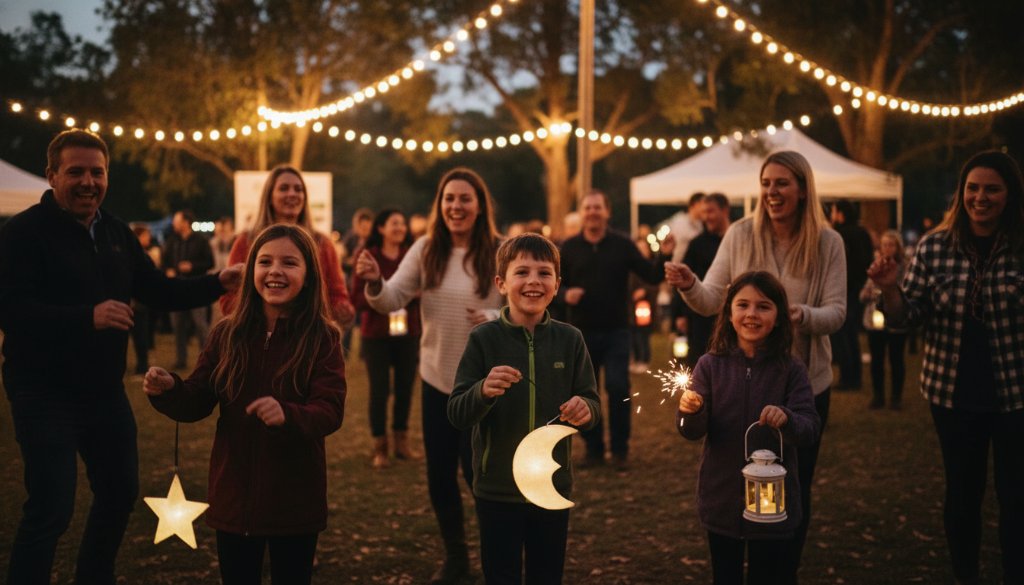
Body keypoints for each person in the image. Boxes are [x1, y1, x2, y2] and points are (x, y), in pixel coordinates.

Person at [0, 129, 242, 585]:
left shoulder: (115, 231)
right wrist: (85, 316)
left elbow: (158, 290)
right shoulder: (23, 233)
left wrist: (218, 281)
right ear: (52, 176)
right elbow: (10, 309)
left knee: (118, 493)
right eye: (76, 172)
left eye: (97, 172)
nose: (88, 181)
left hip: (103, 392)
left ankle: (94, 576)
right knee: (51, 506)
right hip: (42, 391)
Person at [666, 150, 845, 582]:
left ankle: (781, 569)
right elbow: (714, 298)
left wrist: (799, 314)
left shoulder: (827, 242)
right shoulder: (741, 234)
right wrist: (691, 286)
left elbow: (838, 312)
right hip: (740, 376)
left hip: (800, 381)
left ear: (802, 189)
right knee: (734, 468)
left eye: (782, 183)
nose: (772, 191)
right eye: (766, 183)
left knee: (792, 482)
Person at [144, 224, 346, 585]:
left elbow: (330, 410)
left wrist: (289, 414)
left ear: (310, 274)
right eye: (265, 261)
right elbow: (197, 399)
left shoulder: (322, 337)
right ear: (251, 269)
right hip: (234, 496)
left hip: (295, 500)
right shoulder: (227, 334)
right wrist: (169, 389)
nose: (275, 271)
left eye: (289, 263)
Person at [867, 150, 1024, 585]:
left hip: (1015, 396)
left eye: (992, 188)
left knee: (1016, 498)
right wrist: (890, 290)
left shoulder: (1020, 247)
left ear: (1009, 194)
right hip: (953, 395)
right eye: (973, 188)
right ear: (961, 193)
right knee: (963, 495)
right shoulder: (936, 246)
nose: (981, 197)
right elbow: (907, 317)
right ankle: (966, 575)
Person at [355, 167, 502, 584]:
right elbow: (392, 298)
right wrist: (373, 283)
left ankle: (499, 553)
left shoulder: (500, 250)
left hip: (487, 385)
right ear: (440, 205)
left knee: (481, 475)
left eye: (465, 198)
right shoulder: (425, 250)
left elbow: (528, 309)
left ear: (479, 205)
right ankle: (456, 556)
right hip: (438, 380)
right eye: (449, 198)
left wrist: (493, 316)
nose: (456, 206)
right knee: (440, 474)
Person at [448, 233, 600, 585]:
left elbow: (593, 404)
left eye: (544, 273)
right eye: (522, 272)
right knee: (501, 575)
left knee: (546, 574)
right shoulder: (483, 339)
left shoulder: (570, 339)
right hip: (496, 489)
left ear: (557, 285)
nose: (533, 281)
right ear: (501, 283)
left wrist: (586, 410)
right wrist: (482, 391)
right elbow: (457, 412)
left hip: (551, 485)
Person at [677, 271, 819, 585]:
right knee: (725, 574)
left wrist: (788, 418)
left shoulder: (791, 369)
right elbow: (691, 430)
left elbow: (809, 428)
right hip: (722, 498)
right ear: (728, 314)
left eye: (763, 306)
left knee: (767, 575)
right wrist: (691, 411)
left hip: (772, 503)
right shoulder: (710, 366)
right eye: (742, 305)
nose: (751, 314)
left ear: (779, 317)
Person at [559, 190, 675, 469]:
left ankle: (620, 450)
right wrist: (564, 294)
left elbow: (651, 274)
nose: (592, 212)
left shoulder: (622, 245)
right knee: (587, 394)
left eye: (597, 207)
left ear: (607, 212)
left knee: (618, 386)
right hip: (582, 333)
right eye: (588, 208)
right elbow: (553, 282)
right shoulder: (569, 247)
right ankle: (594, 450)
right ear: (582, 213)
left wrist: (664, 255)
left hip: (617, 331)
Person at [220, 164, 354, 328]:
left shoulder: (323, 243)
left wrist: (343, 309)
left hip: (309, 338)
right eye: (284, 188)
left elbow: (336, 294)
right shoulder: (247, 241)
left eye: (298, 189)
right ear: (269, 196)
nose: (292, 194)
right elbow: (228, 298)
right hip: (258, 338)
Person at [349, 208, 422, 468]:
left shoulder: (412, 257)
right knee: (379, 391)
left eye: (402, 223)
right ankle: (380, 446)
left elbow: (427, 289)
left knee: (405, 389)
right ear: (380, 228)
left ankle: (402, 443)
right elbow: (356, 298)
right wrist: (385, 298)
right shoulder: (368, 257)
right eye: (394, 223)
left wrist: (415, 297)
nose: (400, 228)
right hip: (376, 335)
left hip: (408, 333)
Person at [670, 192, 731, 368]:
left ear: (724, 210)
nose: (706, 217)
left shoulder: (737, 240)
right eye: (704, 212)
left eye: (711, 212)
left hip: (729, 314)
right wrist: (680, 313)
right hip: (699, 316)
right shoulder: (696, 244)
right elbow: (682, 280)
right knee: (699, 359)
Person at [859, 230, 908, 410]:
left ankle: (896, 397)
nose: (887, 248)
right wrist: (868, 293)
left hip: (897, 322)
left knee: (896, 359)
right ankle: (878, 396)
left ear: (898, 247)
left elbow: (908, 293)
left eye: (891, 244)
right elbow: (864, 292)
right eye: (884, 244)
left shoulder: (905, 268)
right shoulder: (876, 265)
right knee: (877, 360)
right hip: (876, 320)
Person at [829, 200, 874, 391]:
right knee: (852, 334)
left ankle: (849, 378)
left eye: (833, 211)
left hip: (845, 290)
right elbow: (868, 261)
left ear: (840, 214)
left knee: (843, 334)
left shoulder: (841, 235)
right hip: (858, 289)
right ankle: (855, 377)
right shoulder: (863, 232)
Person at [163, 209, 214, 369]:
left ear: (185, 222)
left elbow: (209, 263)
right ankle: (181, 360)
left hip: (196, 288)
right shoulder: (172, 241)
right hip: (177, 289)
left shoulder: (201, 240)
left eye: (176, 221)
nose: (173, 224)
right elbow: (165, 261)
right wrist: (168, 270)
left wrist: (192, 266)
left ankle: (207, 362)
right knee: (178, 326)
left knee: (201, 326)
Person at [668, 192, 705, 263]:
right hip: (677, 266)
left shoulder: (700, 225)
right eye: (703, 204)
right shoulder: (680, 221)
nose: (705, 208)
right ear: (695, 204)